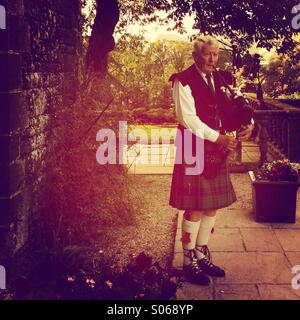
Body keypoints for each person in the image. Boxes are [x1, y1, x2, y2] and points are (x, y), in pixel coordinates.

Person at [169, 35, 254, 285]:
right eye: (207, 54)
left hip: (216, 150)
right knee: (195, 206)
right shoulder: (182, 80)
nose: (212, 59)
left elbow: (238, 104)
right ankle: (188, 262)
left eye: (215, 54)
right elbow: (188, 119)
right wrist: (219, 138)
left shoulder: (222, 78)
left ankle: (200, 252)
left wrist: (248, 124)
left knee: (211, 206)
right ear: (195, 55)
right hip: (192, 147)